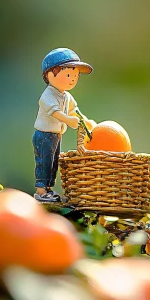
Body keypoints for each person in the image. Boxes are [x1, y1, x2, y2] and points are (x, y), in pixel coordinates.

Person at [33, 48, 92, 203]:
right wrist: (68, 120)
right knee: (44, 161)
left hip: (56, 135)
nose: (73, 79)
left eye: (75, 76)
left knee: (54, 162)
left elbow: (74, 110)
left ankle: (48, 189)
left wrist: (84, 120)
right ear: (50, 74)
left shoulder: (67, 96)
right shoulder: (48, 95)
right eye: (68, 75)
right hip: (44, 135)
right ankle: (40, 190)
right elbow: (55, 112)